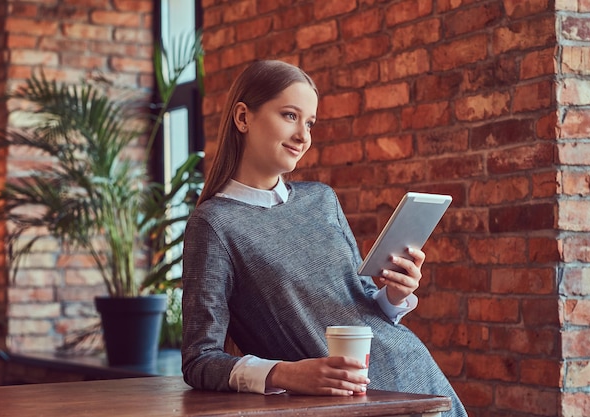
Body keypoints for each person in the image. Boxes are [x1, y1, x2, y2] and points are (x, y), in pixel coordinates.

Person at [181, 59, 467, 417]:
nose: (304, 135)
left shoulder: (322, 199)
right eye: (289, 115)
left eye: (310, 122)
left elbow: (360, 301)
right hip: (349, 405)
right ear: (243, 118)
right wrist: (285, 373)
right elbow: (199, 359)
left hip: (417, 377)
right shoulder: (214, 224)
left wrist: (395, 295)